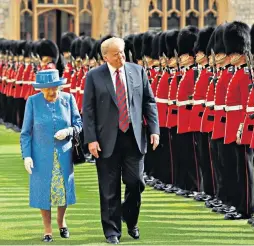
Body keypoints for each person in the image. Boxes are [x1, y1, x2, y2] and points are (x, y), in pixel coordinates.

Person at [82, 37, 160, 244]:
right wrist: (91, 139)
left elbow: (149, 102)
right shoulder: (94, 76)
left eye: (123, 52)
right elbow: (88, 111)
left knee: (136, 183)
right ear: (105, 56)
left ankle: (130, 219)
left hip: (133, 138)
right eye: (116, 54)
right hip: (106, 139)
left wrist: (154, 130)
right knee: (109, 188)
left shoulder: (137, 71)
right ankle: (112, 231)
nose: (121, 57)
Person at [20, 69, 82, 243]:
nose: (52, 92)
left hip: (63, 154)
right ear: (40, 89)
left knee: (63, 191)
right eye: (48, 89)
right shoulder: (32, 102)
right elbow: (26, 133)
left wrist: (69, 130)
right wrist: (27, 156)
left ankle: (61, 221)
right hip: (40, 156)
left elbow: (78, 123)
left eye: (55, 88)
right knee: (43, 192)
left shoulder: (68, 99)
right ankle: (47, 229)